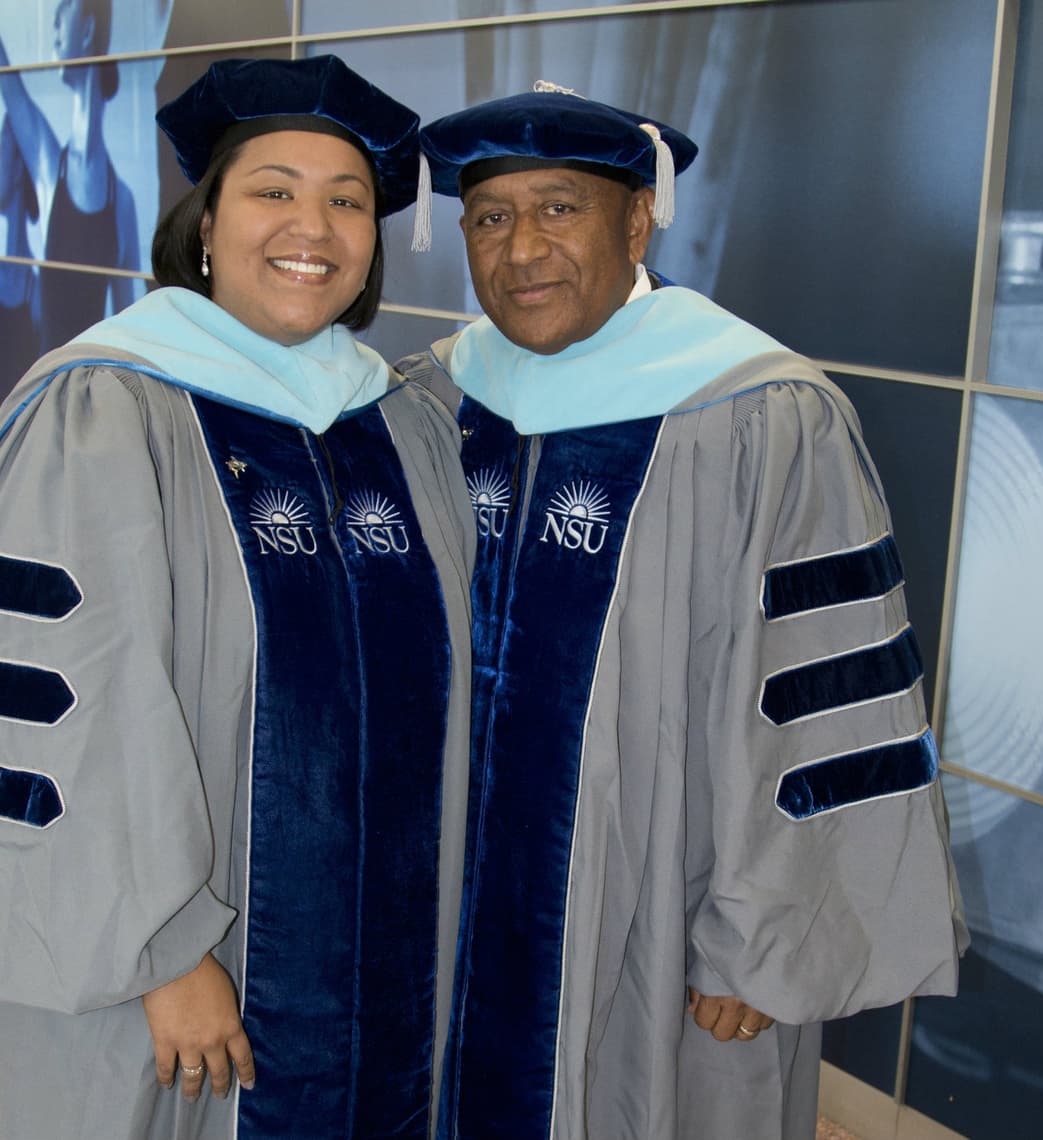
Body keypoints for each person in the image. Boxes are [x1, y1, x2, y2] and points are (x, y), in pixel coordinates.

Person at [0, 54, 473, 1140]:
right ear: (205, 223)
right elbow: (62, 706)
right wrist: (166, 952)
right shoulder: (105, 407)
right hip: (162, 960)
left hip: (377, 959)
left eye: (346, 200)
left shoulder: (401, 423)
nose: (313, 227)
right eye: (272, 190)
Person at [397, 85, 967, 1139]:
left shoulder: (762, 412)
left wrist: (760, 939)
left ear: (635, 218)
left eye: (559, 209)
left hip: (668, 908)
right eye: (489, 217)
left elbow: (824, 694)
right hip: (446, 909)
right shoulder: (431, 400)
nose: (521, 250)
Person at [0, 0, 145, 353]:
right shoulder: (46, 164)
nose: (54, 25)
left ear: (87, 30)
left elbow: (130, 336)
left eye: (64, 12)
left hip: (94, 394)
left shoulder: (123, 205)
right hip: (47, 389)